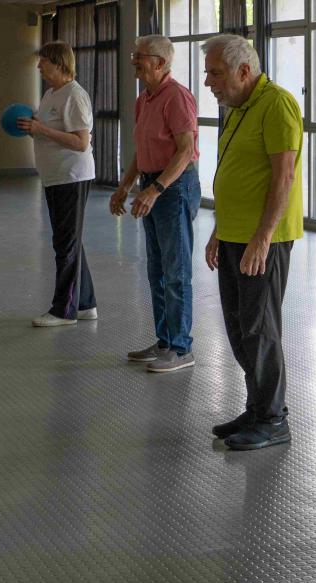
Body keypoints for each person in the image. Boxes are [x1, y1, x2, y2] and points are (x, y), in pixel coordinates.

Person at [201, 34, 303, 450]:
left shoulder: (276, 104)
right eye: (208, 73)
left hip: (264, 240)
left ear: (245, 70)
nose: (209, 82)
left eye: (216, 73)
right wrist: (219, 231)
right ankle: (258, 406)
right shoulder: (240, 107)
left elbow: (283, 177)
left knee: (260, 330)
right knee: (240, 327)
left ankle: (273, 420)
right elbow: (236, 174)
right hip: (235, 235)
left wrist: (262, 237)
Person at [109, 35, 201, 373]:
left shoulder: (177, 97)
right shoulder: (144, 99)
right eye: (134, 56)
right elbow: (141, 150)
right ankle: (164, 341)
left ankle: (181, 348)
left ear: (160, 62)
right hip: (151, 183)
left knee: (176, 272)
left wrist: (156, 189)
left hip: (173, 187)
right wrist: (125, 186)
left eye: (140, 57)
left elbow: (186, 151)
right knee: (157, 271)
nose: (134, 62)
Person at [18, 41, 97, 328]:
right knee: (70, 241)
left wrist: (42, 129)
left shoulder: (75, 96)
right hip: (55, 177)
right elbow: (50, 134)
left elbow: (81, 142)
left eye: (44, 62)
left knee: (65, 243)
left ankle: (64, 311)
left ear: (59, 63)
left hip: (72, 177)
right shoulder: (51, 93)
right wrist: (34, 130)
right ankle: (85, 303)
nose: (39, 67)